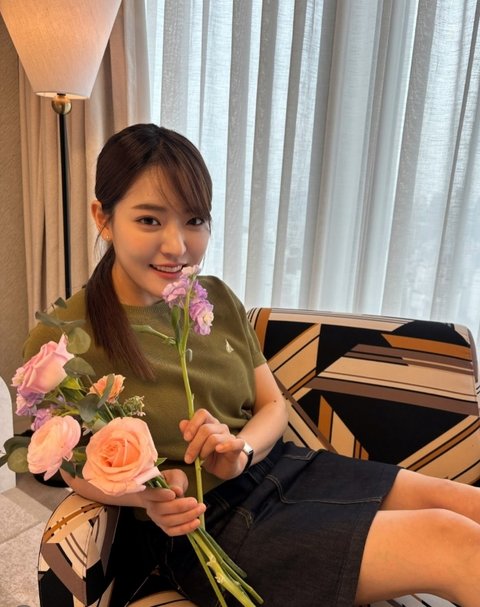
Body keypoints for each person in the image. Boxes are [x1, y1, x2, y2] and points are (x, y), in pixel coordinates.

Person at [24, 123, 480, 607]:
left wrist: (239, 448)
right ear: (104, 218)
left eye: (194, 220)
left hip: (281, 467)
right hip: (205, 525)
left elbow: (272, 405)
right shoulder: (63, 338)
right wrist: (144, 495)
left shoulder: (214, 298)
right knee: (454, 542)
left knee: (467, 505)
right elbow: (67, 465)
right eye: (150, 220)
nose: (177, 246)